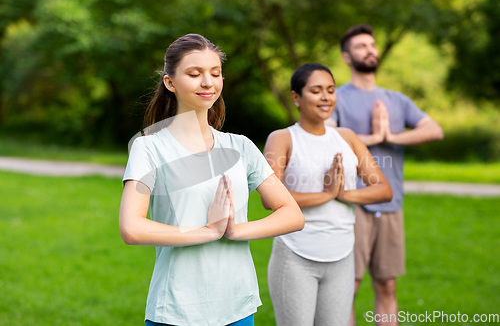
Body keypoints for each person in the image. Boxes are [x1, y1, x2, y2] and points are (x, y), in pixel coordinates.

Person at [119, 34, 304, 326]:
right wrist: (207, 231)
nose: (208, 82)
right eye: (194, 74)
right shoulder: (149, 148)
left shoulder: (240, 146)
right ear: (170, 82)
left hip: (238, 306)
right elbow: (132, 228)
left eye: (215, 73)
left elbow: (292, 214)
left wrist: (236, 230)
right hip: (176, 309)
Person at [325, 24, 444, 326]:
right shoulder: (335, 98)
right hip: (352, 204)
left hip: (392, 204)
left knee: (387, 285)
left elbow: (434, 130)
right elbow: (327, 139)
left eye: (372, 45)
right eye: (361, 46)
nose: (370, 50)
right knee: (347, 288)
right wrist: (373, 138)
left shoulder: (396, 100)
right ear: (347, 57)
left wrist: (390, 135)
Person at [264, 63, 393, 326]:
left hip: (342, 256)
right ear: (296, 98)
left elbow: (383, 189)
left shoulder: (347, 137)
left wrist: (344, 194)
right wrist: (325, 195)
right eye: (316, 90)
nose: (326, 97)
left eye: (331, 90)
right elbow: (270, 198)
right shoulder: (283, 139)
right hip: (295, 255)